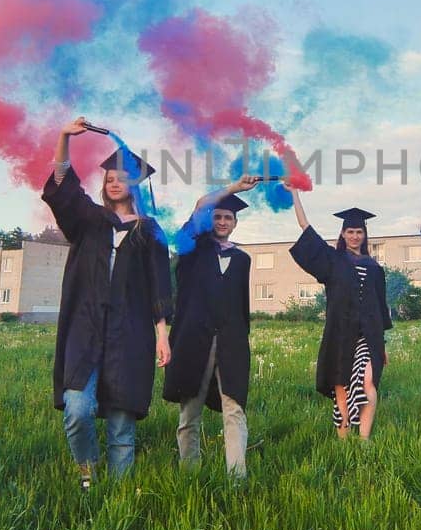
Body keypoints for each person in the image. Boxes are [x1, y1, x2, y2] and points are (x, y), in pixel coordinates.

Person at [43, 118, 173, 487]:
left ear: (136, 184)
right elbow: (62, 189)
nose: (114, 181)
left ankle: (117, 500)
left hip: (130, 334)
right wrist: (64, 136)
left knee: (121, 425)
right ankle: (87, 469)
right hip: (85, 329)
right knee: (77, 409)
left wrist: (162, 336)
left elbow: (159, 285)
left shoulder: (148, 230)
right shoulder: (90, 221)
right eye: (110, 177)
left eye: (123, 176)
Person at [162, 176, 261, 477]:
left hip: (231, 344)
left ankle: (237, 478)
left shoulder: (242, 259)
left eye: (227, 217)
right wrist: (232, 189)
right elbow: (199, 205)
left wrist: (241, 339)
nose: (222, 221)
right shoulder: (191, 249)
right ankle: (189, 473)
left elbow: (241, 305)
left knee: (235, 410)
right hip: (194, 342)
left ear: (235, 223)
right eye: (217, 216)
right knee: (190, 413)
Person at [286, 189, 392, 439]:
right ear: (343, 234)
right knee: (341, 385)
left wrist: (382, 344)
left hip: (369, 335)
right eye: (350, 231)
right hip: (340, 333)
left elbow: (380, 304)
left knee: (368, 383)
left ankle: (364, 440)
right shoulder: (333, 261)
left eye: (359, 232)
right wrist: (294, 194)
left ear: (365, 235)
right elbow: (305, 227)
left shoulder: (375, 268)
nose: (355, 236)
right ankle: (343, 439)